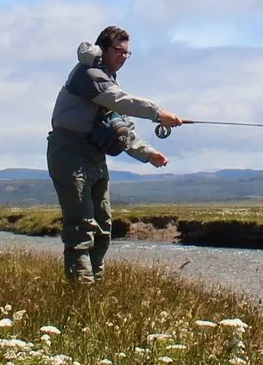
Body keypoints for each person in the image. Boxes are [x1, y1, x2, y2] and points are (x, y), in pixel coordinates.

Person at [46, 25, 188, 283]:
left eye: (127, 53)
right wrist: (158, 113)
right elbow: (118, 100)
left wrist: (148, 153)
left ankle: (94, 285)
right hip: (68, 153)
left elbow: (119, 122)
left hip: (94, 157)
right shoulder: (87, 75)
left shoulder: (107, 79)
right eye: (119, 51)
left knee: (103, 227)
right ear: (104, 49)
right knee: (81, 226)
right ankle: (81, 293)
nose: (124, 57)